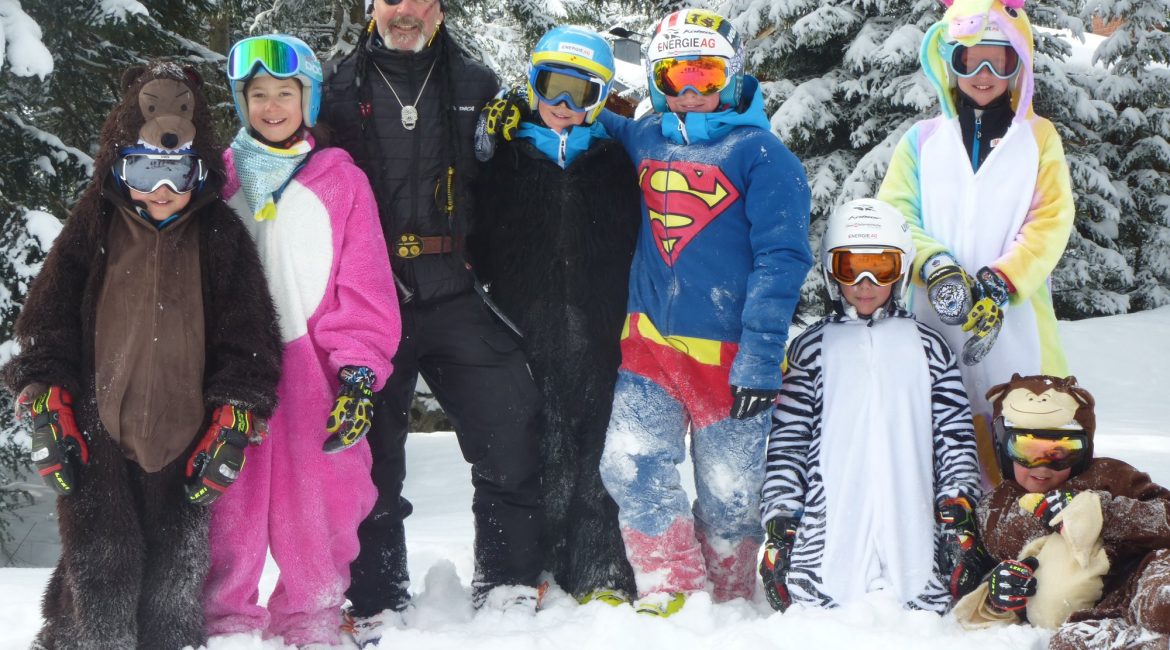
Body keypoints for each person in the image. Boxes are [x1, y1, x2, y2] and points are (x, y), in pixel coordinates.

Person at [2, 61, 283, 650]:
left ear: (197, 169)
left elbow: (250, 337)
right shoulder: (94, 224)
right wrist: (45, 391)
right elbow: (47, 318)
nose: (160, 190)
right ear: (118, 164)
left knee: (176, 579)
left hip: (188, 436)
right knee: (101, 564)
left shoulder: (220, 236)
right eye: (143, 168)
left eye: (175, 173)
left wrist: (236, 412)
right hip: (95, 429)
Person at [318, 0, 543, 638]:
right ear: (372, 8)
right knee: (370, 454)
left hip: (457, 290)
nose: (406, 11)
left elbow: (513, 180)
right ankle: (376, 598)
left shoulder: (478, 83)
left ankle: (506, 581)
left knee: (511, 426)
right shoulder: (332, 88)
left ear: (439, 10)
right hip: (370, 298)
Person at [591, 8, 814, 616]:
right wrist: (532, 101)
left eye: (706, 73)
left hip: (731, 358)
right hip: (650, 349)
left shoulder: (763, 156)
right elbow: (593, 118)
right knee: (632, 465)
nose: (690, 92)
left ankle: (734, 596)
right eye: (674, 77)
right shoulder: (647, 137)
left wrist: (763, 361)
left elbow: (783, 260)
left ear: (733, 74)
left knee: (732, 494)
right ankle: (672, 588)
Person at [201, 35, 400, 649]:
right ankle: (224, 624)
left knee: (321, 503)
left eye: (284, 93)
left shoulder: (341, 181)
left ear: (308, 98)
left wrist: (360, 374)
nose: (270, 106)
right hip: (227, 374)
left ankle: (311, 621)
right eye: (256, 94)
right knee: (223, 505)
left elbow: (363, 286)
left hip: (311, 374)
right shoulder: (214, 178)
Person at [473, 25, 639, 604]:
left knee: (597, 449)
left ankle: (599, 571)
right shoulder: (506, 158)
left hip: (600, 325)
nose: (563, 106)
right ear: (533, 84)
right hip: (522, 324)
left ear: (600, 99)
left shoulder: (616, 161)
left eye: (580, 93)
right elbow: (471, 225)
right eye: (551, 88)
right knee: (529, 449)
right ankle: (520, 571)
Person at [877, 0, 1075, 486]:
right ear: (949, 63)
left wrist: (1001, 279)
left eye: (999, 60)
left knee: (1023, 437)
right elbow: (896, 213)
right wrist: (935, 264)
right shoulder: (922, 141)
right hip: (934, 317)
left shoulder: (1039, 139)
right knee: (941, 430)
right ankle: (947, 537)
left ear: (1019, 65)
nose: (983, 74)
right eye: (969, 59)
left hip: (1015, 324)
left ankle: (1018, 541)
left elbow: (1051, 218)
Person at [756, 198, 982, 614]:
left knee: (924, 617)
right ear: (830, 272)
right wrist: (781, 524)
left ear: (901, 270)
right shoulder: (811, 348)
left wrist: (959, 506)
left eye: (880, 268)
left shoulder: (929, 347)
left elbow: (954, 434)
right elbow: (789, 440)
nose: (864, 283)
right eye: (849, 268)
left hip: (916, 537)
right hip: (827, 545)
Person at [952, 374, 1170, 649]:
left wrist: (1103, 512)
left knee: (1162, 604)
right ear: (1005, 449)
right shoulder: (997, 509)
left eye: (1060, 453)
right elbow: (990, 574)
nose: (1042, 467)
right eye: (1027, 450)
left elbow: (1165, 517)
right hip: (1092, 615)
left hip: (1142, 574)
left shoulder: (1109, 476)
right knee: (1068, 644)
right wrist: (1001, 594)